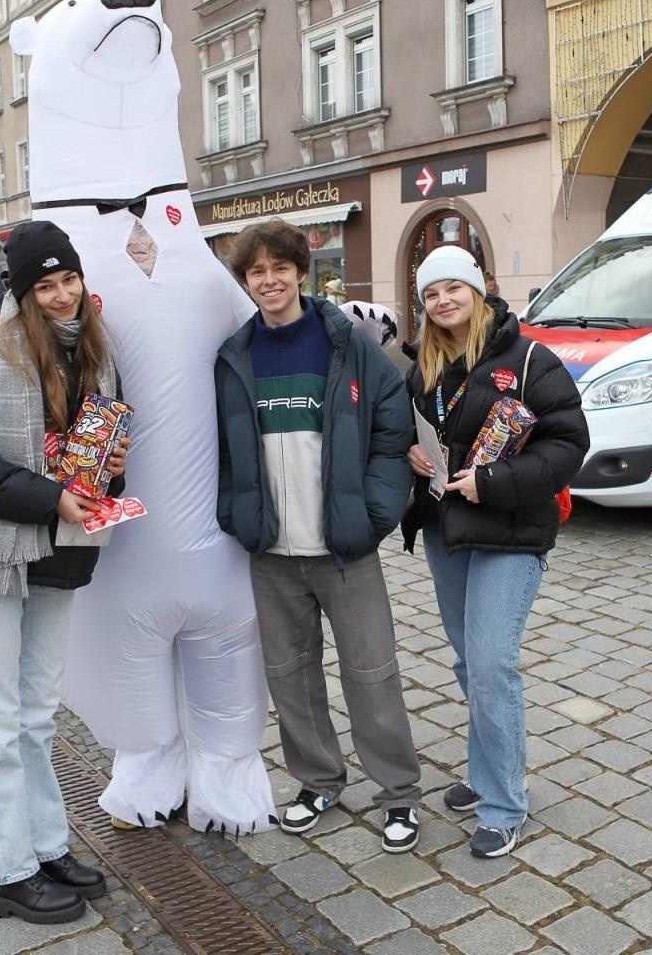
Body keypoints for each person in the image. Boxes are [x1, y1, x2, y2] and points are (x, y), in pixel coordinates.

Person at [0, 221, 123, 925]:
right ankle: (7, 872)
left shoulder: (94, 354)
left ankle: (45, 847)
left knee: (37, 718)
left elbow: (82, 445)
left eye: (69, 280)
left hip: (60, 553)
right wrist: (48, 496)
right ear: (23, 292)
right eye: (48, 285)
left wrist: (106, 470)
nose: (64, 296)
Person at [214, 220, 422, 851]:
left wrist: (375, 515)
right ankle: (318, 779)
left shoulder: (348, 346)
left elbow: (393, 435)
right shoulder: (235, 356)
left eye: (280, 268)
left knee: (372, 672)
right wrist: (237, 514)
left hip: (343, 547)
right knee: (290, 673)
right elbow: (220, 450)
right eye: (256, 272)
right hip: (271, 552)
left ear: (301, 272)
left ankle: (400, 794)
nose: (269, 281)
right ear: (245, 282)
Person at [401, 246, 588, 858]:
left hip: (511, 527)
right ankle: (483, 772)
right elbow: (410, 429)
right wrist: (411, 451)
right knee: (466, 661)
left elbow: (568, 443)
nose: (442, 300)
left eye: (453, 287)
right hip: (446, 527)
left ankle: (505, 803)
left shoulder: (529, 357)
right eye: (431, 293)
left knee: (490, 662)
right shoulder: (425, 366)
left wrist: (494, 482)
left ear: (478, 290)